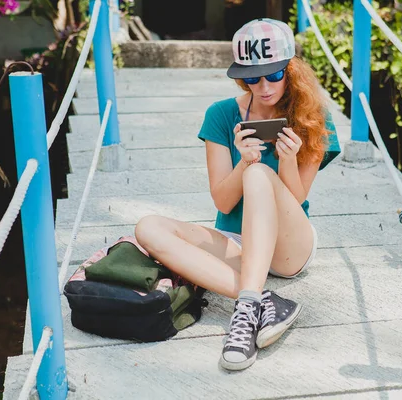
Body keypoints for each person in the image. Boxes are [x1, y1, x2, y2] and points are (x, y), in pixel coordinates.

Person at [134, 18, 339, 371]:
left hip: (290, 249)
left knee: (262, 174)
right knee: (148, 227)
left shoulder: (314, 118)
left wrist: (287, 161)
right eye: (252, 77)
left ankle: (243, 313)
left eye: (274, 75)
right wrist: (243, 162)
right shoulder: (221, 115)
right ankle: (261, 299)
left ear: (290, 69)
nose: (264, 86)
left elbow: (298, 199)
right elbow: (224, 203)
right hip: (238, 241)